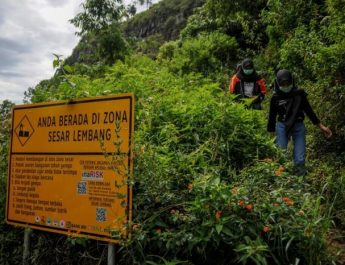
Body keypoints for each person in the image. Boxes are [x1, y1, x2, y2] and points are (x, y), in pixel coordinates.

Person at [267, 69, 332, 175]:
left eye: (288, 83)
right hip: (282, 126)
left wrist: (321, 126)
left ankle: (299, 182)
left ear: (292, 81)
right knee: (280, 155)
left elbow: (309, 111)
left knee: (300, 158)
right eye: (282, 84)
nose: (285, 86)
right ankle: (280, 181)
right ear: (277, 83)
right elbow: (272, 117)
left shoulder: (299, 94)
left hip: (298, 125)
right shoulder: (275, 98)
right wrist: (271, 138)